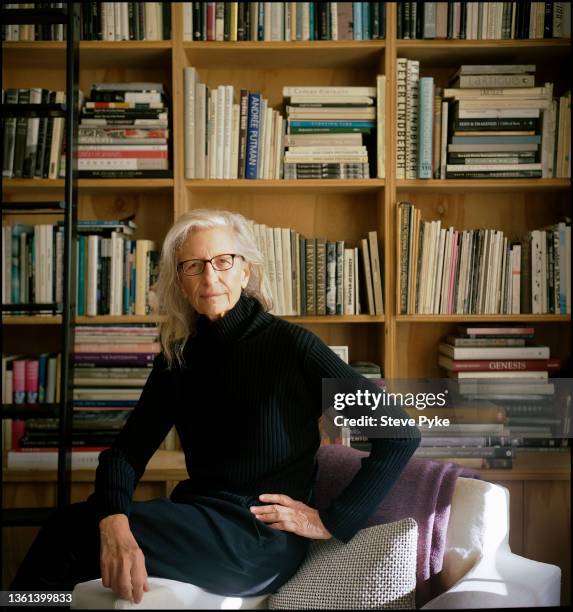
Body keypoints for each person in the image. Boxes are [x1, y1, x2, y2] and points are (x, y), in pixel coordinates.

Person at [11, 209, 420, 604]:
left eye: (223, 261)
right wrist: (114, 520)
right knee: (77, 540)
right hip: (199, 516)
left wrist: (331, 521)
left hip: (257, 541)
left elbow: (399, 434)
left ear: (245, 270)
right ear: (181, 282)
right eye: (194, 266)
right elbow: (125, 454)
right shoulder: (180, 358)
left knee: (67, 534)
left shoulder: (293, 347)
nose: (210, 276)